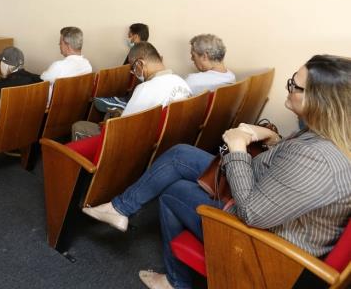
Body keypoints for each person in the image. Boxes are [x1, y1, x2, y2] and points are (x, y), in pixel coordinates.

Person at [82, 55, 351, 289]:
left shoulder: (318, 159)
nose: (289, 88)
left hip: (267, 248)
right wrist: (270, 136)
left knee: (173, 193)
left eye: (295, 85)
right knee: (181, 154)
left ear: (320, 101)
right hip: (270, 199)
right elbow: (293, 174)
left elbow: (252, 214)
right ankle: (120, 209)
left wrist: (236, 150)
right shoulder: (326, 137)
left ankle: (176, 281)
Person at [74, 42, 191, 140]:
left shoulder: (146, 88)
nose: (134, 73)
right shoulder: (182, 82)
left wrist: (113, 118)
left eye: (133, 68)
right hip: (168, 139)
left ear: (140, 63)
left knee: (79, 126)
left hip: (134, 143)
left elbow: (123, 127)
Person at [40, 26, 93, 102]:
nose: (59, 46)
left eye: (60, 43)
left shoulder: (58, 66)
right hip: (74, 107)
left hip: (51, 110)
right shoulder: (87, 65)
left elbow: (43, 79)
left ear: (67, 46)